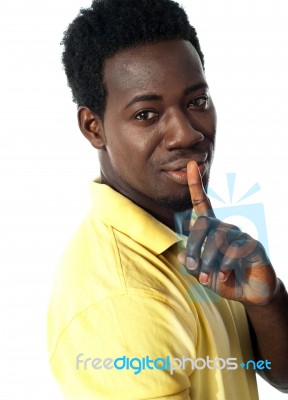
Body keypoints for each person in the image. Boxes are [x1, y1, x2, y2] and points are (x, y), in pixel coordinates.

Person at [47, 0, 288, 398]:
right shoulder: (123, 300)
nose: (187, 134)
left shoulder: (190, 229)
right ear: (94, 128)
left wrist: (268, 301)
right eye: (146, 114)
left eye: (197, 102)